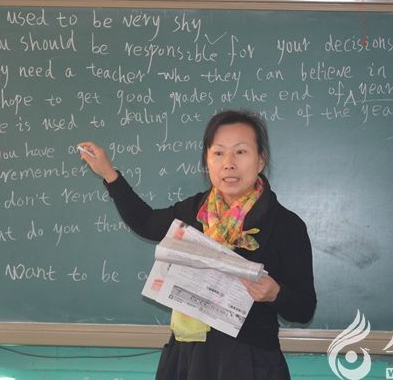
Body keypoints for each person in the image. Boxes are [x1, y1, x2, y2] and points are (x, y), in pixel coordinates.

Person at [78, 110, 316, 380]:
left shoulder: (286, 225)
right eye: (218, 153)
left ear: (260, 160)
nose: (229, 163)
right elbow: (145, 222)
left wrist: (276, 294)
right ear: (207, 160)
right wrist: (109, 174)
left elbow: (304, 308)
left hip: (250, 362)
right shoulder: (195, 211)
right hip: (188, 356)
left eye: (240, 152)